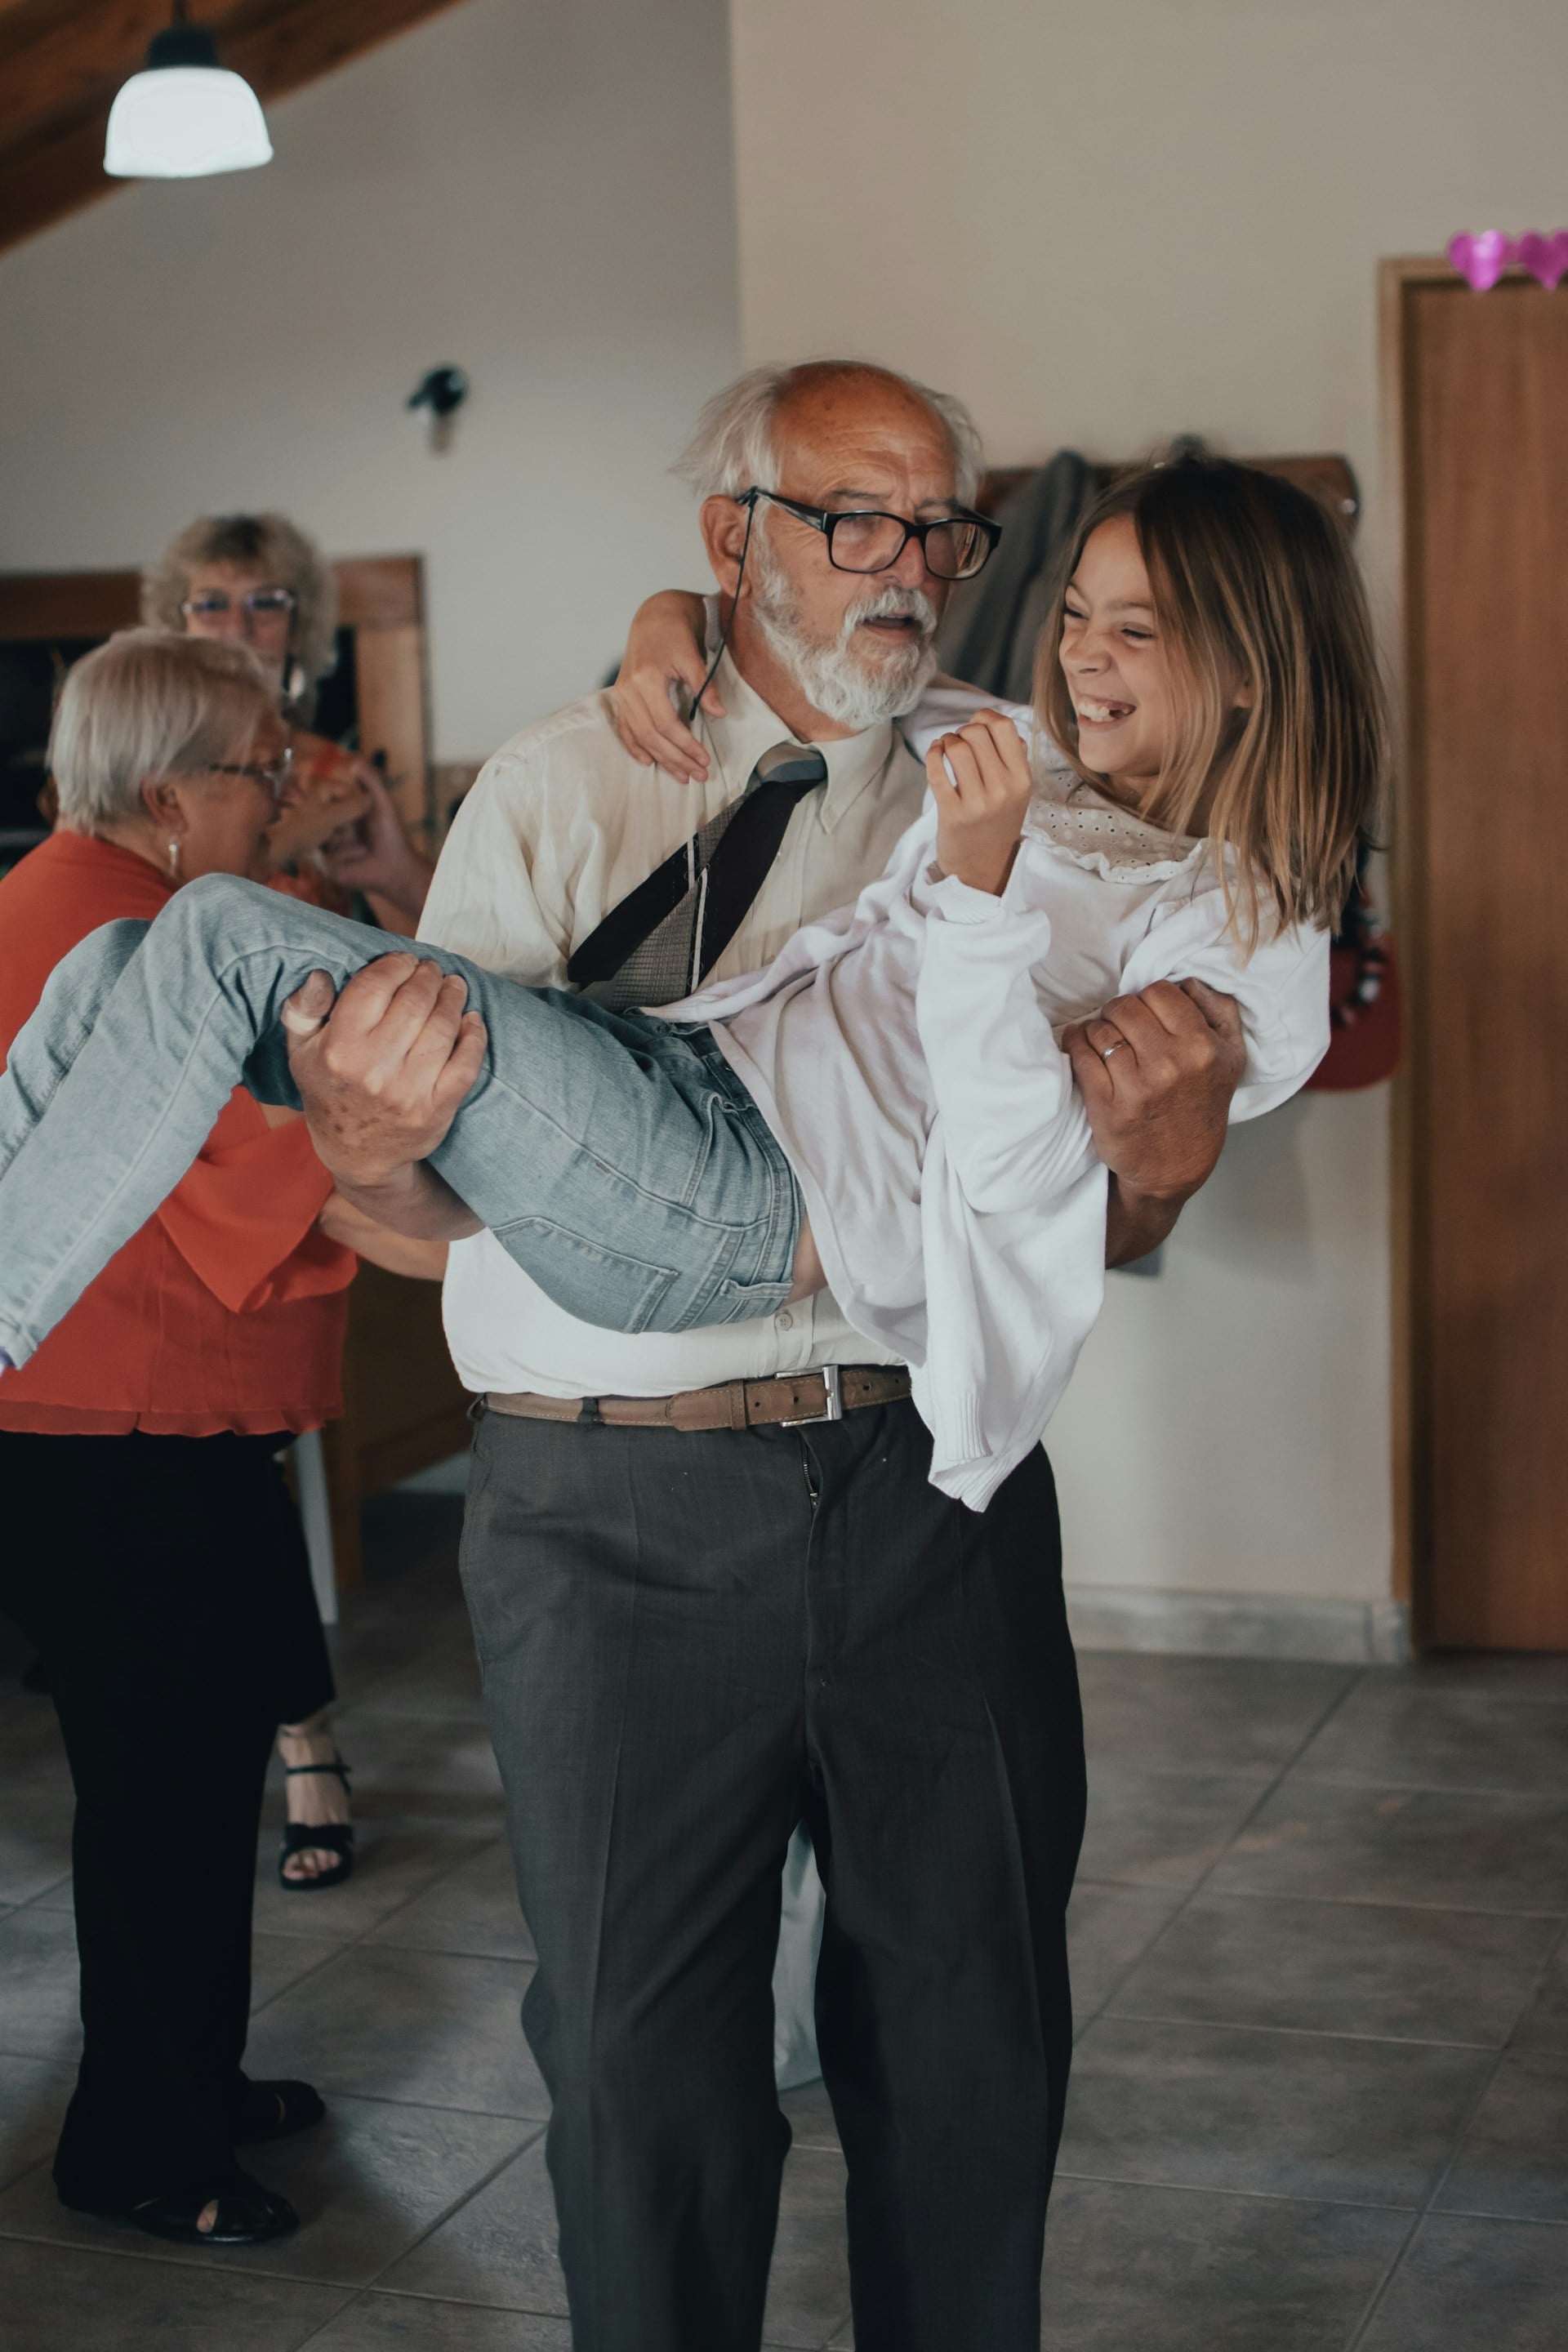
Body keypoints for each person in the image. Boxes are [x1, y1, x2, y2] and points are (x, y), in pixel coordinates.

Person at [0, 417, 1384, 2341]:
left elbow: (1024, 1188)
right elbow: (404, 1215)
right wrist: (678, 619)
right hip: (622, 1392)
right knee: (151, 957)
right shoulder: (885, 760)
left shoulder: (1203, 907)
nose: (1054, 641)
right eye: (1068, 604)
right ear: (746, 537)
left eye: (1122, 620)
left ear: (1250, 655)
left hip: (820, 1310)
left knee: (963, 2044)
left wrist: (1015, 946)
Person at [0, 634, 356, 2247]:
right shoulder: (109, 934)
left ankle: (189, 2082)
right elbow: (249, 1184)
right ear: (163, 791)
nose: (278, 791)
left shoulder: (89, 897)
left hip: (152, 1416)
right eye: (256, 770)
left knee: (202, 1776)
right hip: (105, 1423)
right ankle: (137, 2141)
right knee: (160, 1795)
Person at [146, 510, 439, 1882]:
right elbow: (157, 949)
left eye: (266, 605)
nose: (241, 628)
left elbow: (434, 950)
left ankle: (302, 1737)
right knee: (208, 1461)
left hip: (319, 1125)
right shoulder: (143, 768)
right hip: (190, 1139)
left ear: (300, 630)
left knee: (261, 1445)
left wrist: (365, 859)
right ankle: (288, 1741)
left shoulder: (336, 770)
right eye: (212, 605)